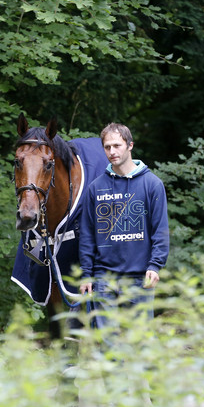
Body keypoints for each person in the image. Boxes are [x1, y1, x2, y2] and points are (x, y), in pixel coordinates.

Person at [78, 123, 170, 332]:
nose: (112, 152)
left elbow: (160, 230)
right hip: (104, 278)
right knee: (107, 344)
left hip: (139, 277)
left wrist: (155, 265)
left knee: (138, 342)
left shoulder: (152, 184)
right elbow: (87, 236)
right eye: (107, 147)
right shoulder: (96, 188)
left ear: (130, 145)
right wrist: (86, 273)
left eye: (117, 145)